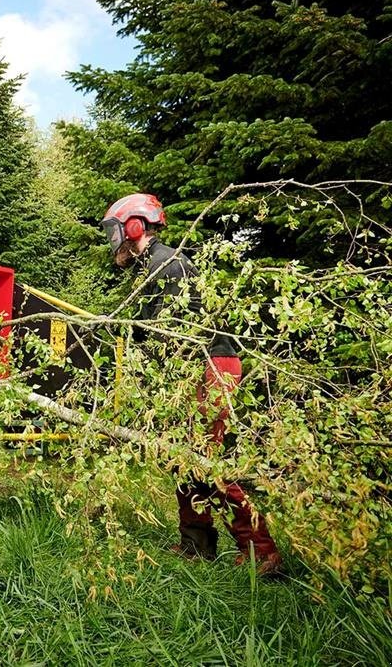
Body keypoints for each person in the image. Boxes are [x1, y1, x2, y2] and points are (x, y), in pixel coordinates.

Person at [101, 193, 282, 575]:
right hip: (190, 369)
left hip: (210, 365)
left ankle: (262, 552)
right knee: (182, 458)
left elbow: (176, 333)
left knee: (205, 459)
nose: (112, 242)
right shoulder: (153, 267)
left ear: (134, 227)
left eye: (115, 231)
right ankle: (196, 543)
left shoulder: (168, 265)